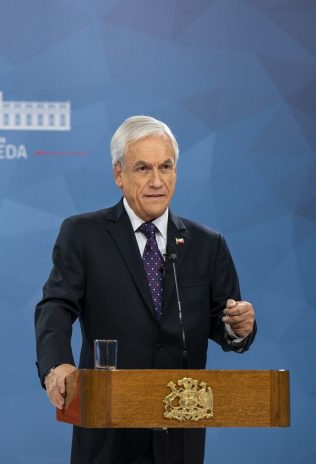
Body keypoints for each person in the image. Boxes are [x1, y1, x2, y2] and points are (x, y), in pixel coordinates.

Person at [34, 115, 256, 464]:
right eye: (143, 168)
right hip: (108, 429)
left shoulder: (207, 244)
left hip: (180, 430)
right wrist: (57, 365)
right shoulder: (83, 234)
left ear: (175, 172)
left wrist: (238, 328)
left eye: (165, 167)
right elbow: (56, 306)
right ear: (118, 174)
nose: (156, 181)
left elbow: (223, 321)